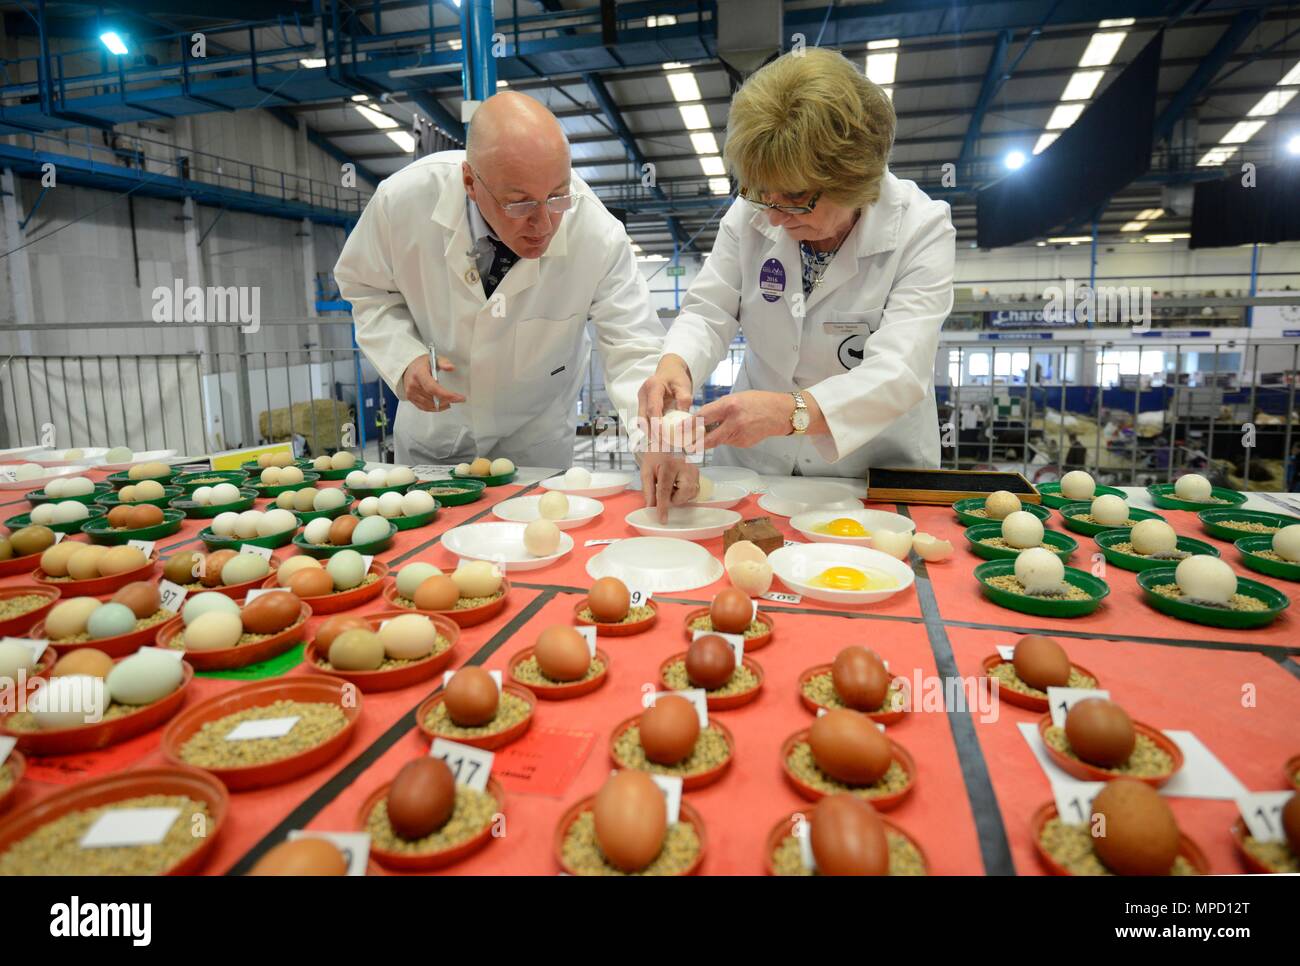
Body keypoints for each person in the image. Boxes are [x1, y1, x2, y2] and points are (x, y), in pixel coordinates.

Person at [335, 92, 697, 512]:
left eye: (559, 196)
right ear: (470, 182)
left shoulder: (597, 234)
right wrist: (402, 358)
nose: (544, 224)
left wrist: (659, 441)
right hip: (438, 444)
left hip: (535, 451)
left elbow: (633, 351)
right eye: (520, 203)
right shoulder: (402, 203)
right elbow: (365, 286)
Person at [639, 48, 956, 477]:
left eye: (794, 197)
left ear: (854, 180)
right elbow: (709, 310)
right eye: (760, 192)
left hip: (867, 467)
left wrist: (792, 413)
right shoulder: (753, 210)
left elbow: (899, 370)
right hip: (758, 460)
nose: (770, 215)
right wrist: (676, 363)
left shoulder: (922, 229)